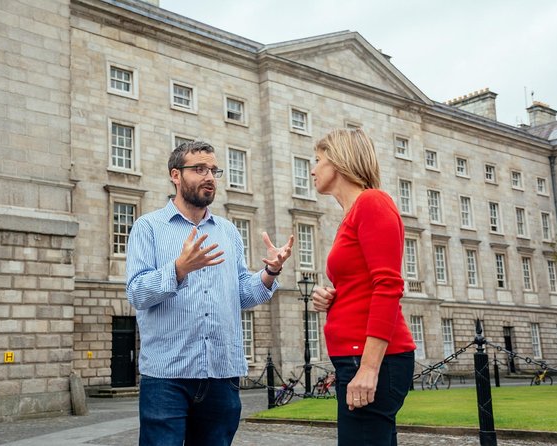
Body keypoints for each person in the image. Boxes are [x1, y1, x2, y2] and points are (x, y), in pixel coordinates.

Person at [126, 141, 293, 446]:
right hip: (167, 378)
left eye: (214, 170)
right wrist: (178, 269)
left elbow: (242, 294)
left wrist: (270, 273)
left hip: (222, 376)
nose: (210, 177)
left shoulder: (228, 231)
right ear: (175, 175)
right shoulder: (147, 227)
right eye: (199, 169)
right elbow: (136, 293)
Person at [310, 128, 416, 446]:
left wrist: (369, 369)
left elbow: (388, 285)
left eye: (317, 160)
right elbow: (363, 284)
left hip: (372, 360)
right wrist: (331, 297)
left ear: (339, 162)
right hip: (352, 357)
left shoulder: (372, 202)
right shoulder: (351, 214)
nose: (312, 169)